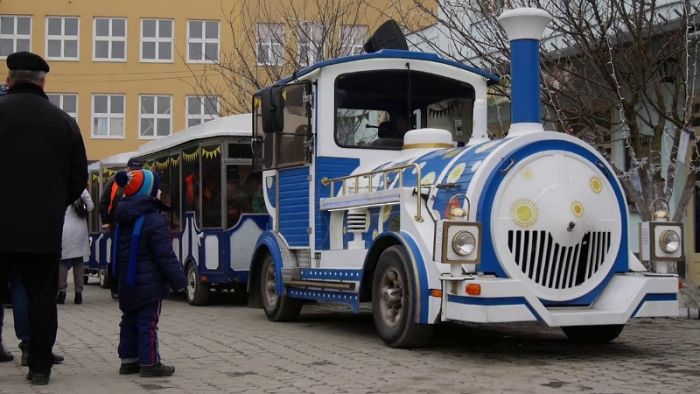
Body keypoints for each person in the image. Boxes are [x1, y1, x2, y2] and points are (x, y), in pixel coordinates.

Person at [0, 51, 87, 385]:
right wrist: (52, 203)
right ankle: (39, 366)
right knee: (41, 296)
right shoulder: (62, 122)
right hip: (42, 229)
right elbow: (78, 179)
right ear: (43, 82)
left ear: (9, 81)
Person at [112, 169, 187, 378]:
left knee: (129, 319)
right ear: (149, 193)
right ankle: (150, 363)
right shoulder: (154, 220)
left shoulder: (124, 216)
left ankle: (128, 361)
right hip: (149, 283)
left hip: (127, 281)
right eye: (158, 189)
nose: (161, 193)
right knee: (148, 322)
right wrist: (179, 280)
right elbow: (164, 255)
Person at [99, 157, 142, 299]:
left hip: (135, 223)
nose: (134, 172)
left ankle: (131, 286)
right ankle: (115, 288)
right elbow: (104, 202)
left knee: (134, 254)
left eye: (138, 170)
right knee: (117, 255)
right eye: (133, 169)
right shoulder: (114, 181)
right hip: (116, 224)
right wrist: (106, 223)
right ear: (127, 168)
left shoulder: (142, 180)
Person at [57, 189, 95, 305]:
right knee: (78, 260)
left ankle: (62, 292)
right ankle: (78, 293)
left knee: (62, 260)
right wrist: (81, 211)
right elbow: (91, 205)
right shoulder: (80, 188)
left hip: (63, 227)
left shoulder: (60, 185)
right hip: (79, 228)